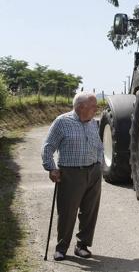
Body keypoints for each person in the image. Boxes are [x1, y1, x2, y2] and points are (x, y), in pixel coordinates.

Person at [41, 92, 103, 261]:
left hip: (94, 172)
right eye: (93, 106)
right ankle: (61, 248)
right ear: (81, 107)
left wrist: (99, 164)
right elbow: (48, 147)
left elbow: (99, 145)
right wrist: (51, 168)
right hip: (71, 173)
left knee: (89, 212)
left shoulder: (93, 123)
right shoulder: (62, 122)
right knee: (67, 212)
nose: (96, 109)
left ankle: (82, 246)